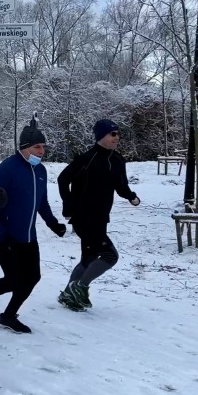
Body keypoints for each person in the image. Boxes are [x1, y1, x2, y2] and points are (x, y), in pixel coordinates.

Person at [0, 118, 67, 333]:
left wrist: (52, 223)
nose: (42, 150)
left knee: (32, 277)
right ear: (24, 147)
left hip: (28, 236)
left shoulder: (41, 171)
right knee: (15, 279)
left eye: (44, 146)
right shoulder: (7, 169)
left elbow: (41, 201)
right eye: (37, 146)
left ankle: (8, 315)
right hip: (6, 235)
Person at [57, 119, 140, 311]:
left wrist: (131, 197)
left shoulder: (117, 160)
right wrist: (68, 208)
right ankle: (80, 288)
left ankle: (68, 295)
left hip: (101, 217)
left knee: (89, 257)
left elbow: (120, 185)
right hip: (83, 217)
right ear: (101, 136)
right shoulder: (87, 158)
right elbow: (63, 180)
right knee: (110, 256)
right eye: (112, 134)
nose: (117, 137)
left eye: (118, 134)